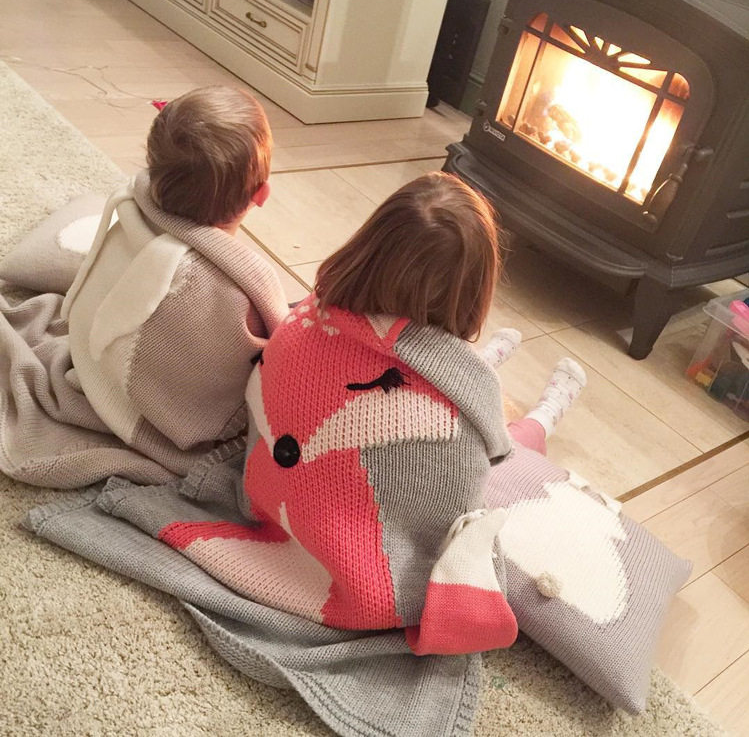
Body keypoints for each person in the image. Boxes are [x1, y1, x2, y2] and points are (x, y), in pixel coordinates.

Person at [237, 171, 586, 656]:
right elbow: (464, 492)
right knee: (519, 442)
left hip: (265, 496)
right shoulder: (455, 424)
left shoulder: (306, 315)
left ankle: (487, 360)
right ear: (473, 291)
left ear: (369, 245)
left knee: (458, 388)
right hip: (348, 562)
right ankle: (548, 413)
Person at [61, 85, 289, 479]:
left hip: (89, 364)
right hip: (158, 420)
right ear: (261, 194)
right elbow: (272, 365)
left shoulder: (129, 212)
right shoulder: (235, 294)